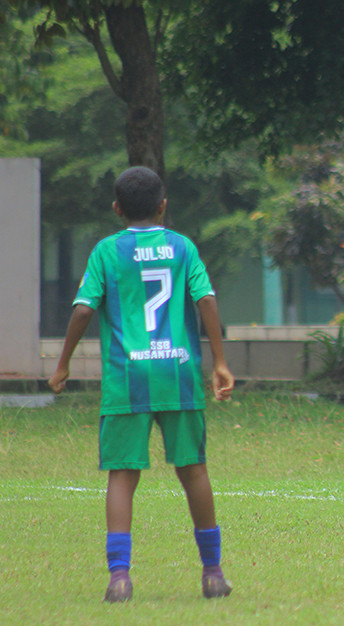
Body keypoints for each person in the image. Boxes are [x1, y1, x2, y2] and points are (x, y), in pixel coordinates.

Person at [48, 166, 236, 602]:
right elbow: (204, 298)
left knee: (122, 476)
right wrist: (220, 362)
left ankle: (119, 579)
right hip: (178, 373)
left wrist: (63, 364)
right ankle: (212, 573)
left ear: (117, 209)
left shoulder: (107, 252)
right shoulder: (182, 247)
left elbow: (82, 311)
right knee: (194, 471)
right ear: (163, 205)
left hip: (126, 378)